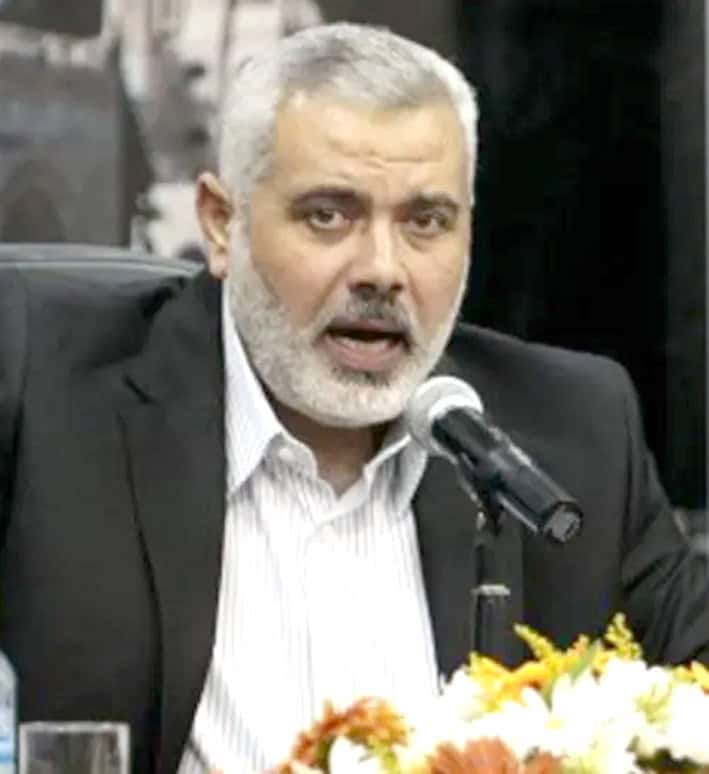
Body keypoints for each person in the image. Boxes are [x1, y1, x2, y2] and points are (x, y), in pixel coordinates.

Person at [0, 22, 707, 774]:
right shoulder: (41, 391)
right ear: (221, 225)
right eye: (328, 215)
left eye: (425, 222)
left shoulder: (570, 431)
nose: (382, 270)